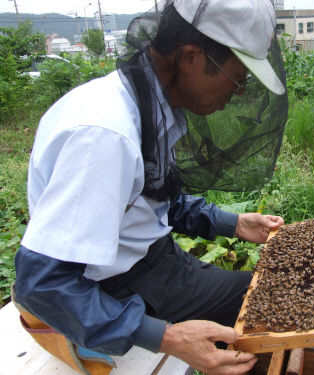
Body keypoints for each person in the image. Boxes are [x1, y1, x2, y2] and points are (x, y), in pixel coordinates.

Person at [14, 0, 288, 374]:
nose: (239, 91)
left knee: (266, 290)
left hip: (157, 259)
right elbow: (42, 284)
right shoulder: (104, 135)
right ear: (190, 57)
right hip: (116, 289)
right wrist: (169, 338)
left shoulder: (145, 101)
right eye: (238, 76)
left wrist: (232, 223)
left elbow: (153, 196)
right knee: (272, 299)